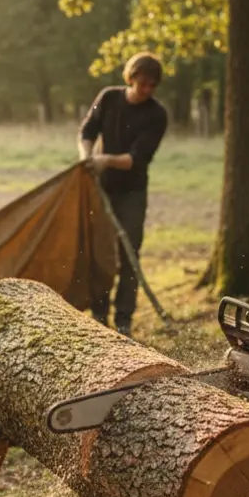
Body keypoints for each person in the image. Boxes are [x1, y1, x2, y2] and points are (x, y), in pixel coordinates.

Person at [78, 52, 169, 337]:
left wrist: (104, 160)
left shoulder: (157, 115)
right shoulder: (108, 98)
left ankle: (124, 320)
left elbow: (136, 159)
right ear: (130, 78)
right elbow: (87, 130)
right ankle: (99, 315)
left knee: (129, 253)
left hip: (132, 192)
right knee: (100, 252)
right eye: (142, 83)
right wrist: (87, 158)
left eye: (152, 85)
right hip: (101, 189)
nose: (147, 90)